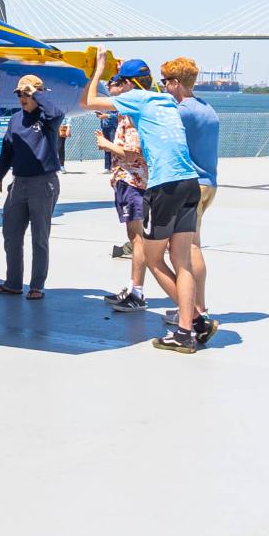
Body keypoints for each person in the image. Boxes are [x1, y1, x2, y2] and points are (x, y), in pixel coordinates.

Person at [81, 54, 208, 353]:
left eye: (119, 82)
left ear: (127, 83)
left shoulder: (136, 98)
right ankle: (190, 327)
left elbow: (88, 102)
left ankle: (192, 325)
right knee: (182, 261)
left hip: (164, 186)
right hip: (189, 183)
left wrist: (97, 70)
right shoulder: (166, 101)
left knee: (152, 258)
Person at [0, 74, 65, 301]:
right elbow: (7, 150)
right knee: (11, 235)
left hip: (43, 183)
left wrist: (37, 93)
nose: (22, 98)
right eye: (20, 94)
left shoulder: (48, 118)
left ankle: (36, 286)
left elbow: (57, 112)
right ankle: (13, 283)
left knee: (39, 237)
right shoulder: (14, 120)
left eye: (27, 94)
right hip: (19, 182)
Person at [163, 57, 219, 329]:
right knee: (195, 242)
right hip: (210, 182)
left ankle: (196, 309)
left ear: (176, 83)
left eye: (165, 82)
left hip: (192, 184)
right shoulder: (208, 109)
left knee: (188, 249)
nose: (163, 88)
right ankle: (197, 305)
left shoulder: (182, 111)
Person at [94, 62, 150, 307]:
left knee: (137, 238)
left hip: (134, 181)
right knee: (134, 235)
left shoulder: (136, 110)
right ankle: (133, 288)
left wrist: (107, 146)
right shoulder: (142, 105)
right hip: (128, 180)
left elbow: (134, 154)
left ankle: (137, 292)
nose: (112, 86)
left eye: (118, 81)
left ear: (129, 84)